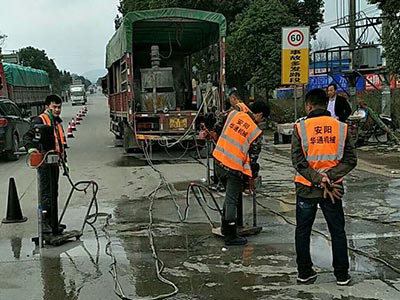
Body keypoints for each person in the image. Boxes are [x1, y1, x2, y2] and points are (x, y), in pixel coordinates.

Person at [291, 88, 357, 285]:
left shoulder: (300, 128)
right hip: (332, 189)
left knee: (303, 231)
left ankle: (304, 272)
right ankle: (342, 275)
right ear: (325, 103)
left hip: (306, 188)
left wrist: (317, 178)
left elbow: (298, 160)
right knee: (337, 231)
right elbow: (351, 160)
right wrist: (328, 176)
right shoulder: (341, 128)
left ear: (308, 106)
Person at [213, 100, 269, 246]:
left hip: (218, 160)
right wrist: (250, 177)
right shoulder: (255, 131)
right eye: (263, 120)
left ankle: (225, 227)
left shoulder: (234, 115)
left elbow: (218, 124)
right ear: (260, 115)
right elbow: (253, 158)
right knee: (232, 200)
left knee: (228, 197)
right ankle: (231, 235)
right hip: (233, 167)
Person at [23, 94, 67, 234]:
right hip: (44, 163)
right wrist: (31, 149)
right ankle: (45, 224)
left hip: (54, 163)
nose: (57, 110)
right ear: (47, 106)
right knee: (46, 194)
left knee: (54, 193)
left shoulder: (56, 122)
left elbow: (59, 143)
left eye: (59, 107)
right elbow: (27, 137)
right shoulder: (40, 120)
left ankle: (53, 223)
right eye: (54, 107)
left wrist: (64, 161)